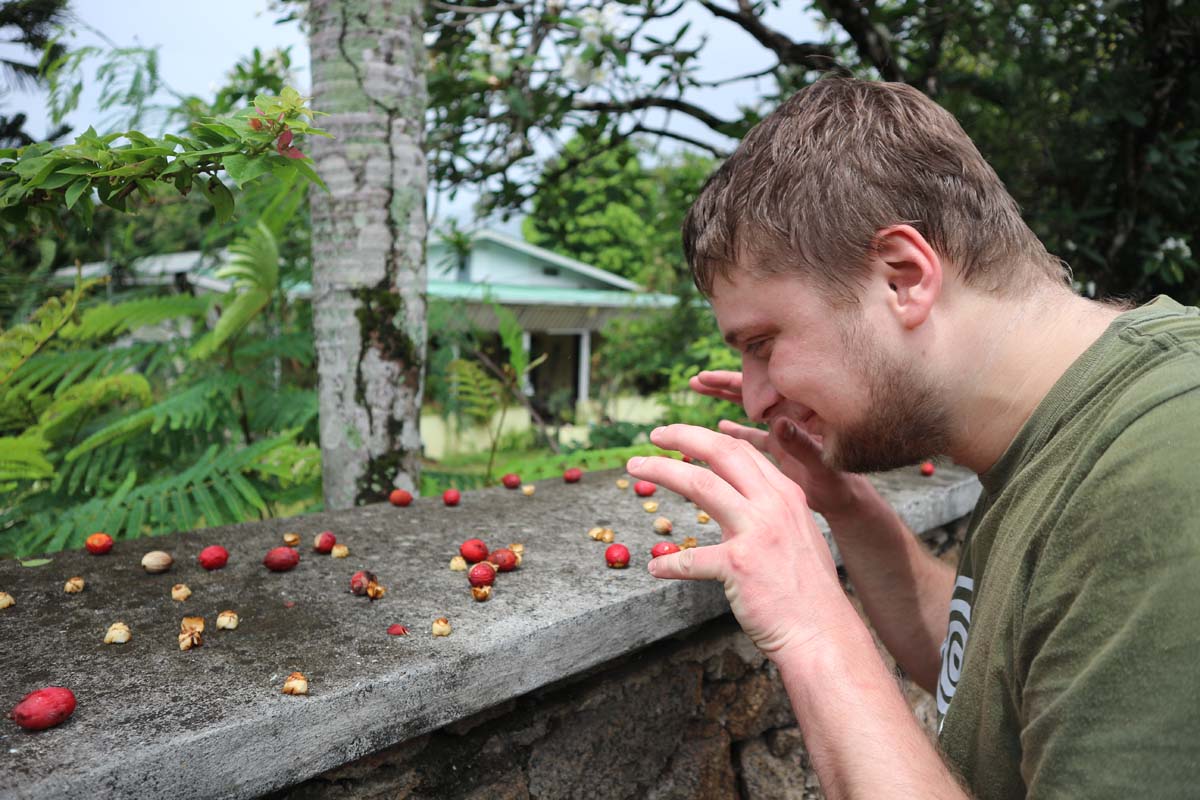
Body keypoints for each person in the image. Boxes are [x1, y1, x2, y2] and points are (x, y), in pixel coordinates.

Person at [625, 77, 1200, 799]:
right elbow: (991, 678)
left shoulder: (1165, 470)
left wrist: (811, 624)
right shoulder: (1064, 433)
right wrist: (846, 507)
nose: (756, 395)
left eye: (763, 343)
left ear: (903, 278)